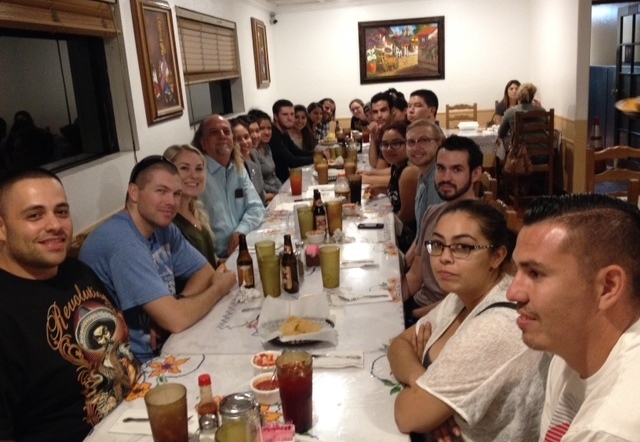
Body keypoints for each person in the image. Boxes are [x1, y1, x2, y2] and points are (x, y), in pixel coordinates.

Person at [389, 199, 548, 441]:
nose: (444, 257)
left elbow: (407, 415)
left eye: (463, 247)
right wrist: (422, 382)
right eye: (438, 244)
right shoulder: (462, 295)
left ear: (497, 257)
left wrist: (426, 399)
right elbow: (398, 344)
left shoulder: (497, 325)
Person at [0, 169, 139, 441]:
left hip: (136, 413)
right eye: (35, 215)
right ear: (2, 228)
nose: (55, 224)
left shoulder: (76, 271)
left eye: (61, 212)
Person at [507, 194, 640, 441]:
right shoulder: (568, 350)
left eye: (535, 273)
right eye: (517, 271)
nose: (512, 293)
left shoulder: (610, 428)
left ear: (608, 287)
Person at [79, 156, 237, 362]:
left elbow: (204, 272)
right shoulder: (122, 241)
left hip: (166, 344)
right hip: (134, 363)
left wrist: (170, 309)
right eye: (161, 191)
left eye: (176, 194)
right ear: (134, 192)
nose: (171, 202)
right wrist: (219, 288)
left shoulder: (163, 228)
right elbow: (178, 319)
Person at [402, 135, 483, 324]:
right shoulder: (432, 213)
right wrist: (388, 300)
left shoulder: (480, 226)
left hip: (446, 318)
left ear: (475, 174)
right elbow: (415, 276)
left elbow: (465, 301)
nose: (446, 178)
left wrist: (413, 316)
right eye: (440, 168)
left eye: (457, 170)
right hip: (418, 306)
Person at [192, 114, 265, 258]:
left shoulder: (238, 168)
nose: (222, 136)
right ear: (203, 143)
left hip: (244, 245)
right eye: (214, 133)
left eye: (226, 132)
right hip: (217, 258)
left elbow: (256, 207)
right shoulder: (197, 175)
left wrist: (240, 232)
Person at [163, 144, 219, 268]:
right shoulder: (168, 221)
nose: (194, 175)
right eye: (184, 168)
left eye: (199, 169)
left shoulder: (195, 211)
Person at [405, 120, 444, 267]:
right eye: (411, 142)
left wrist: (407, 267)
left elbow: (433, 242)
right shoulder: (423, 176)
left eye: (424, 140)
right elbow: (421, 234)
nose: (416, 147)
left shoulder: (438, 181)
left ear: (439, 143)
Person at [380, 121, 419, 252]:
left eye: (396, 143)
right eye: (384, 144)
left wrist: (384, 228)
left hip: (411, 241)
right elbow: (399, 194)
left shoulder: (409, 171)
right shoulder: (397, 166)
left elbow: (407, 216)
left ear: (408, 143)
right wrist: (380, 190)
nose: (388, 149)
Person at [269, 99, 314, 183]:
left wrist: (320, 154)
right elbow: (292, 161)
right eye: (285, 115)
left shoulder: (284, 132)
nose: (290, 118)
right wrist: (318, 158)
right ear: (275, 116)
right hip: (278, 182)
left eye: (292, 114)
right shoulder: (273, 135)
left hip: (286, 179)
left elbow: (297, 152)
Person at [230, 117, 267, 206]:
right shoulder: (229, 171)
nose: (244, 142)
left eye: (246, 137)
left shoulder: (253, 166)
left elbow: (262, 198)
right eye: (238, 139)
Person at [497, 82, 545, 150]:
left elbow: (501, 133)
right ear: (532, 96)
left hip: (521, 153)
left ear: (518, 95)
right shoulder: (542, 110)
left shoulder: (510, 112)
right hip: (543, 149)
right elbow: (547, 127)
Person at [248, 109, 282, 198]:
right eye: (262, 129)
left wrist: (283, 189)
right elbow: (260, 183)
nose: (267, 132)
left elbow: (273, 175)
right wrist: (278, 192)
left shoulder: (267, 147)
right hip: (268, 196)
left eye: (269, 128)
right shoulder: (253, 152)